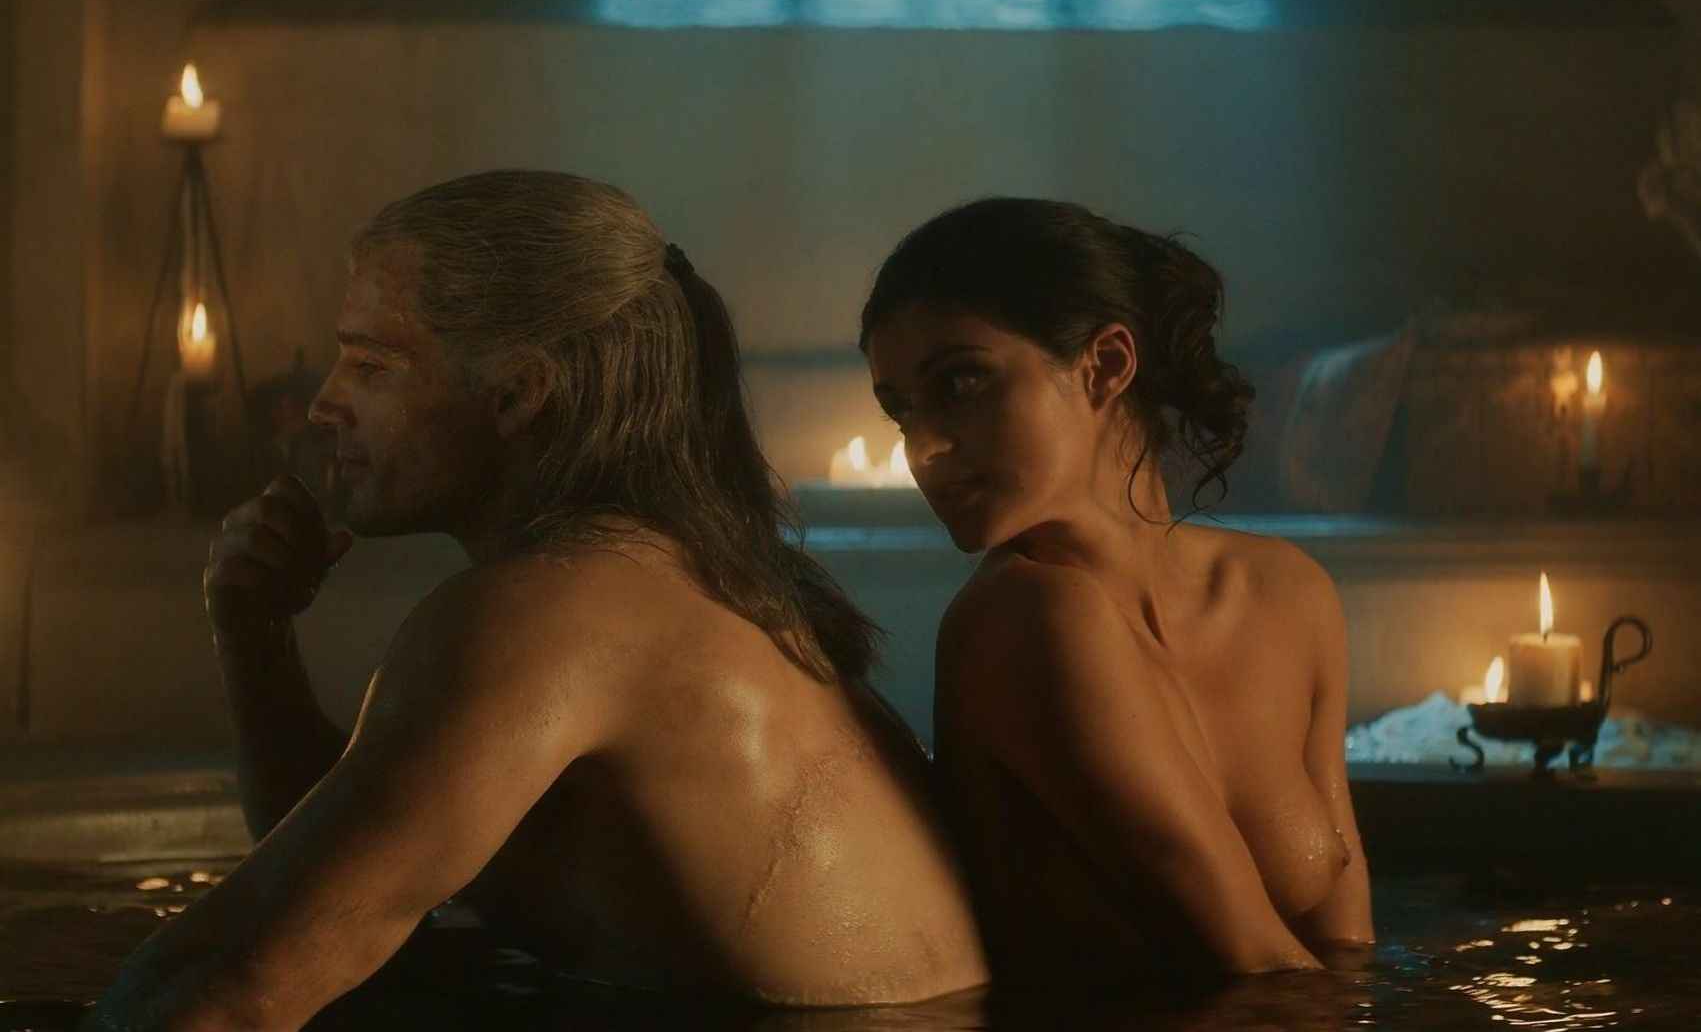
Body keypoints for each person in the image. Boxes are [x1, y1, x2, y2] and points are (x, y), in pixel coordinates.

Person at [85, 171, 988, 1030]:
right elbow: (331, 878)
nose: (324, 404)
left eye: (372, 363)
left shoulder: (556, 613)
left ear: (517, 393)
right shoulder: (658, 574)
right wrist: (254, 635)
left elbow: (237, 986)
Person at [858, 197, 1373, 985]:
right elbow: (1250, 959)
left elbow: (1348, 948)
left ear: (1104, 365)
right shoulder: (1021, 617)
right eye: (901, 412)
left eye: (960, 382)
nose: (922, 449)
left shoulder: (1286, 592)